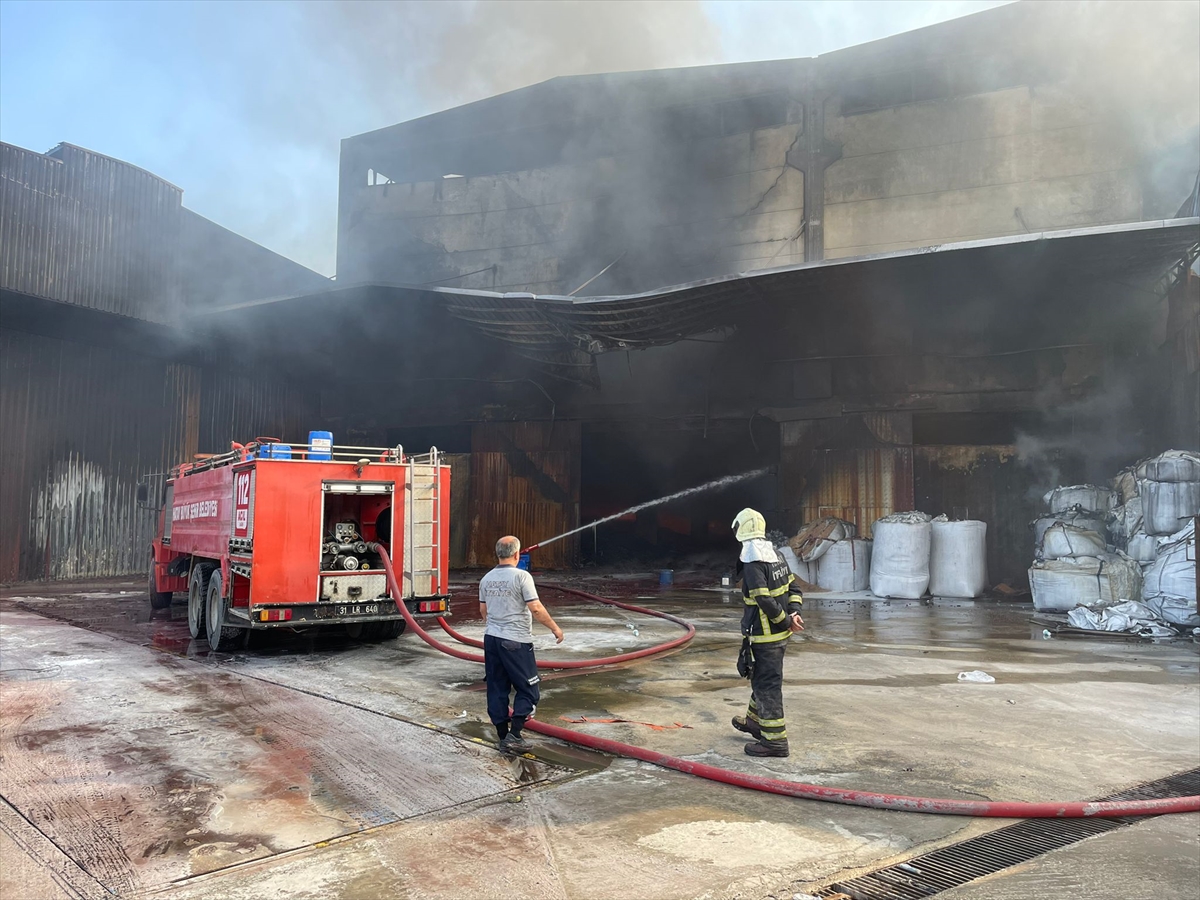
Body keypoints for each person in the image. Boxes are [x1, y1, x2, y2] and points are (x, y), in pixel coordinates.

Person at [730, 508, 804, 758]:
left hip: (764, 637)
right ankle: (754, 721)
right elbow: (794, 587)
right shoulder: (778, 556)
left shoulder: (753, 563)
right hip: (779, 638)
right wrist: (794, 614)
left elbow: (763, 599)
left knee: (767, 686)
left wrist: (784, 621)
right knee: (762, 679)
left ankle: (774, 742)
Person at [479, 535, 564, 753]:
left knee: (497, 687)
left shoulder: (486, 578)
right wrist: (555, 628)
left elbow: (483, 611)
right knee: (529, 689)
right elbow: (535, 608)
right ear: (517, 555)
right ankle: (515, 734)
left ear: (497, 554)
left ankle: (501, 736)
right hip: (516, 641)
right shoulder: (522, 577)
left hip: (492, 640)